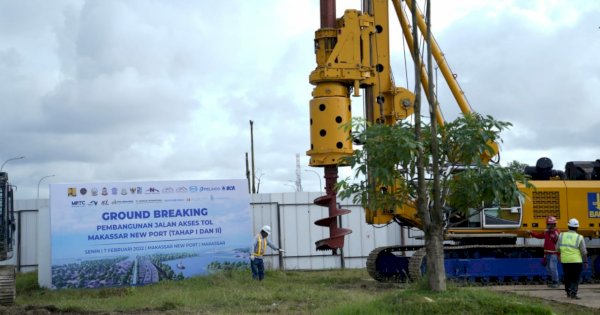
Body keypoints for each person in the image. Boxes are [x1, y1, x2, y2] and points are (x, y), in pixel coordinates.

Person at [557, 218, 588, 299]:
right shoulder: (579, 237)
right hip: (576, 261)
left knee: (567, 277)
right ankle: (573, 294)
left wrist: (560, 255)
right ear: (577, 227)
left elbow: (557, 248)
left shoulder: (561, 235)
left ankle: (568, 293)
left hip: (565, 261)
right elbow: (584, 252)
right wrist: (585, 262)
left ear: (568, 226)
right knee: (575, 277)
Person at [529, 216, 560, 288]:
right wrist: (532, 233)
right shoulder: (546, 232)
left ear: (553, 224)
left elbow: (559, 244)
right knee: (548, 268)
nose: (547, 225)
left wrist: (558, 254)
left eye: (548, 224)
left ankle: (556, 282)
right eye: (548, 224)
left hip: (553, 253)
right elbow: (539, 236)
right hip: (547, 253)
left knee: (553, 268)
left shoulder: (557, 232)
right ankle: (553, 281)